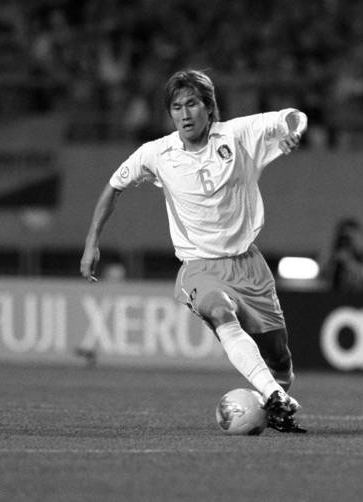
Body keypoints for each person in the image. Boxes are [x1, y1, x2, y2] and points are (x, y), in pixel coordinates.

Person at [80, 69, 308, 433]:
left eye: (192, 104)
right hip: (200, 267)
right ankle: (273, 395)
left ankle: (274, 396)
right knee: (220, 312)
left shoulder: (237, 135)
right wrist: (92, 241)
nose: (184, 114)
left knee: (280, 361)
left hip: (249, 265)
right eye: (176, 107)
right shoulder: (157, 153)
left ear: (209, 108)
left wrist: (293, 131)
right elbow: (113, 186)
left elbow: (292, 116)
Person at [319, 217, 363, 294]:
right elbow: (322, 276)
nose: (347, 241)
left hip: (358, 298)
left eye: (350, 237)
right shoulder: (334, 255)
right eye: (344, 237)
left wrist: (348, 261)